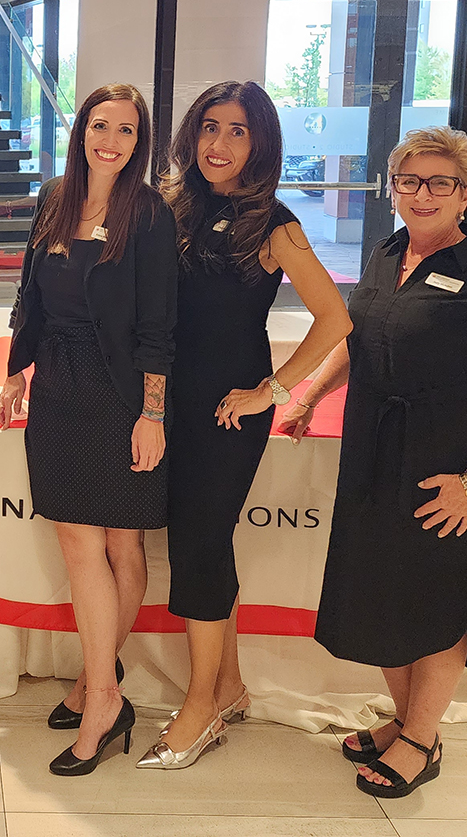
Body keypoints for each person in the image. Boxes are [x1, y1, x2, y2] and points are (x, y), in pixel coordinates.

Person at [284, 126, 467, 799]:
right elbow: (357, 335)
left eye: (441, 182)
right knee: (378, 595)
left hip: (451, 468)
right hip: (375, 452)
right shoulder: (387, 254)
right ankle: (406, 718)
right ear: (392, 189)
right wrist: (311, 396)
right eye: (409, 181)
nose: (423, 194)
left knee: (435, 603)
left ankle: (421, 738)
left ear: (465, 194)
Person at [140, 80, 350, 772]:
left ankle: (201, 707)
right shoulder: (173, 204)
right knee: (201, 543)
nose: (220, 143)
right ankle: (227, 686)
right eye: (210, 127)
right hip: (167, 402)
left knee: (199, 546)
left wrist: (273, 392)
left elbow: (335, 319)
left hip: (227, 412)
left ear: (259, 143)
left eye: (237, 131)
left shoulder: (274, 223)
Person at [0, 83, 177, 777]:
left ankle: (100, 694)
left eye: (126, 130)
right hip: (58, 387)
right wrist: (15, 372)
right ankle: (98, 686)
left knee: (118, 544)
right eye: (101, 125)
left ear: (139, 141)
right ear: (82, 130)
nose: (111, 140)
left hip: (119, 391)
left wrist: (152, 414)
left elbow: (159, 325)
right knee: (84, 543)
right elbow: (30, 295)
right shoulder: (54, 197)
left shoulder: (149, 213)